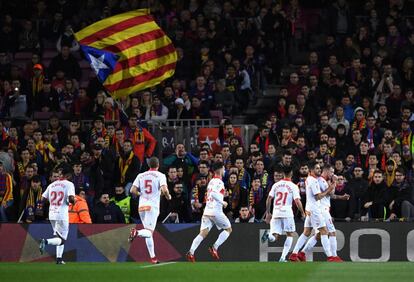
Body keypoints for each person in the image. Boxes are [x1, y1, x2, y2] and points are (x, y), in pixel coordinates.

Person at [299, 165, 349, 261]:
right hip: (322, 210)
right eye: (331, 172)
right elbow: (330, 193)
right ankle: (334, 256)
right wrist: (334, 182)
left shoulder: (322, 180)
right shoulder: (321, 180)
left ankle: (302, 253)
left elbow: (331, 195)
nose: (333, 174)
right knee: (332, 231)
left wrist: (341, 197)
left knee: (318, 235)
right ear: (326, 171)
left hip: (319, 209)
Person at [288, 161, 336, 262]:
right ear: (311, 170)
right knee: (324, 231)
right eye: (317, 168)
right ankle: (330, 256)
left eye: (319, 168)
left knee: (306, 232)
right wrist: (330, 188)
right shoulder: (313, 181)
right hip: (315, 210)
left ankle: (295, 254)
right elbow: (318, 196)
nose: (319, 170)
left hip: (310, 208)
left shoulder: (310, 180)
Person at [128, 157, 171, 264]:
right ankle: (136, 232)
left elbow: (132, 190)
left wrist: (140, 194)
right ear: (158, 166)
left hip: (141, 207)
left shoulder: (140, 175)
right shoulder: (160, 175)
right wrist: (168, 196)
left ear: (149, 166)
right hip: (152, 207)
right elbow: (165, 189)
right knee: (149, 231)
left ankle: (153, 258)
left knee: (148, 232)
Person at [186, 162, 232, 262]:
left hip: (207, 211)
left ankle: (191, 252)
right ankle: (214, 247)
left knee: (203, 233)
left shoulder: (211, 181)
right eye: (224, 169)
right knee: (228, 229)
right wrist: (223, 202)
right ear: (220, 169)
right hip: (216, 211)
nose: (224, 171)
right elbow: (215, 194)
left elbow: (211, 194)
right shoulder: (219, 182)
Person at [261, 166, 305, 262]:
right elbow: (297, 201)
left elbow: (269, 199)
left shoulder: (276, 185)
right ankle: (282, 258)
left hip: (276, 212)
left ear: (282, 174)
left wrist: (268, 213)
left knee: (274, 237)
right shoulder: (293, 186)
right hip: (287, 213)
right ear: (291, 174)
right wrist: (302, 212)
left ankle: (268, 235)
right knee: (290, 235)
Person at [39, 166, 75, 264]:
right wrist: (73, 202)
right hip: (62, 215)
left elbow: (42, 199)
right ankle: (45, 241)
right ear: (68, 175)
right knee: (62, 240)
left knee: (58, 237)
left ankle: (59, 259)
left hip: (52, 214)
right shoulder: (69, 184)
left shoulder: (52, 185)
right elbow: (71, 199)